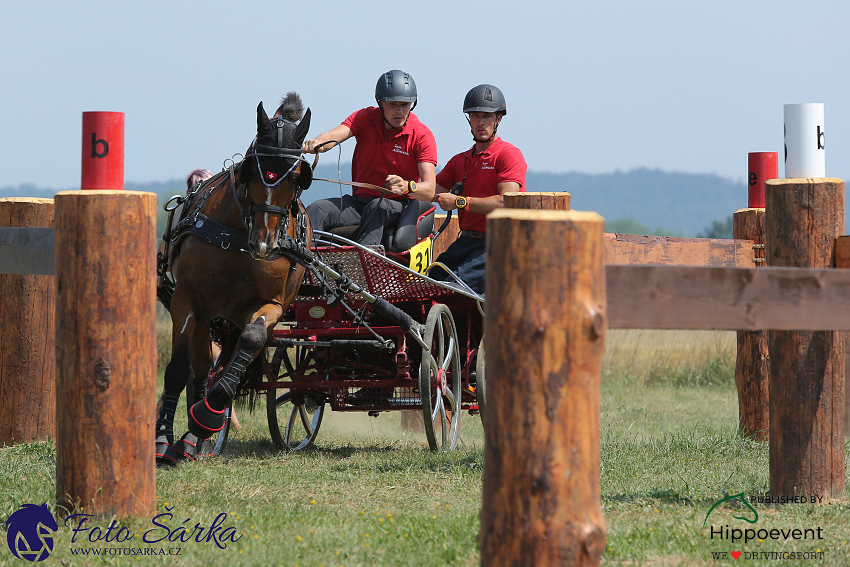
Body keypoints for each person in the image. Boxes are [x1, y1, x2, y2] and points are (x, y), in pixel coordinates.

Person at [302, 69, 437, 246]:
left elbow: (429, 189)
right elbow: (331, 137)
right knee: (317, 209)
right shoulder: (365, 117)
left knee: (377, 206)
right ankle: (305, 267)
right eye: (393, 105)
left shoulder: (422, 135)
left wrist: (406, 186)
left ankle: (366, 264)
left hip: (397, 204)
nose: (400, 111)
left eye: (405, 105)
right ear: (380, 103)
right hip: (359, 203)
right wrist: (317, 143)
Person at [430, 84, 527, 295]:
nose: (480, 122)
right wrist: (404, 186)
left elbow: (507, 202)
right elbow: (429, 191)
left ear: (498, 119)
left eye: (486, 116)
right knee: (428, 282)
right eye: (475, 116)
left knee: (455, 290)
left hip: (497, 244)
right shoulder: (459, 161)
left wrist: (460, 202)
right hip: (465, 242)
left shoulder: (508, 155)